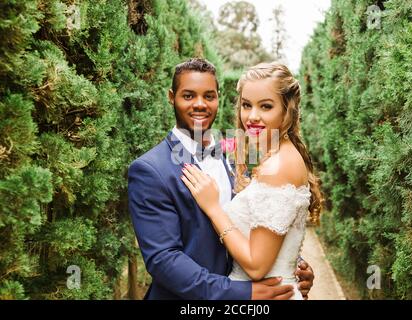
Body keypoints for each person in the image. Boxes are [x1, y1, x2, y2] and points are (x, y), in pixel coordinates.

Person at [128, 58, 315, 300]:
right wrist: (241, 293)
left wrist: (290, 265)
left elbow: (257, 223)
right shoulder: (149, 170)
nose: (199, 104)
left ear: (219, 98)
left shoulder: (230, 160)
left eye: (208, 96)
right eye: (188, 96)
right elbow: (164, 261)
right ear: (171, 97)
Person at [181, 62, 322, 300]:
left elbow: (257, 266)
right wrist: (293, 263)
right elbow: (272, 228)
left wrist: (214, 209)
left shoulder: (278, 166)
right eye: (246, 105)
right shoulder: (274, 156)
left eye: (266, 106)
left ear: (287, 110)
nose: (252, 116)